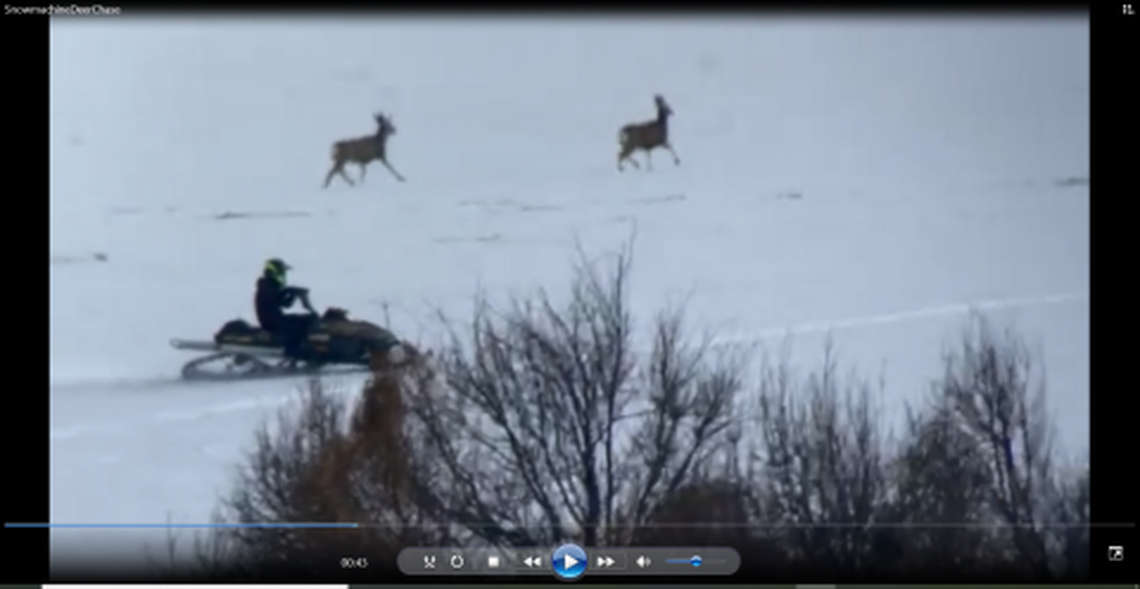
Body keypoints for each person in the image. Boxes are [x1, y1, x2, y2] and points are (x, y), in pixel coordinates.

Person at [255, 258, 317, 358]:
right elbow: (277, 298)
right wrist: (289, 292)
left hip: (275, 320)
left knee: (306, 319)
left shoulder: (269, 286)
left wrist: (293, 293)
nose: (284, 276)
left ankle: (300, 348)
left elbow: (286, 303)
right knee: (303, 323)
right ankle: (294, 350)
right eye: (282, 273)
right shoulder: (265, 286)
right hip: (272, 322)